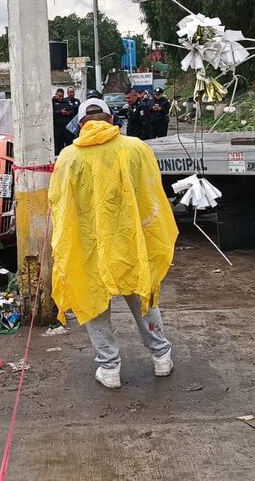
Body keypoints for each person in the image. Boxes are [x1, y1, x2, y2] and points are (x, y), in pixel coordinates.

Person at [49, 98, 179, 389]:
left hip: (89, 246)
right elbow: (152, 194)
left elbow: (59, 204)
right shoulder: (136, 148)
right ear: (111, 120)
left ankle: (110, 369)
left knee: (93, 302)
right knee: (142, 294)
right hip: (131, 243)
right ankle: (161, 357)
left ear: (81, 124)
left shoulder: (69, 157)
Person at [52, 88, 72, 152]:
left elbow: (71, 110)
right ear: (56, 94)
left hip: (64, 127)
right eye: (59, 96)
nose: (61, 98)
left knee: (65, 144)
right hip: (56, 127)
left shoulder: (65, 102)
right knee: (57, 144)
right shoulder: (52, 102)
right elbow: (51, 113)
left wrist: (68, 113)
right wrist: (60, 112)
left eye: (62, 96)